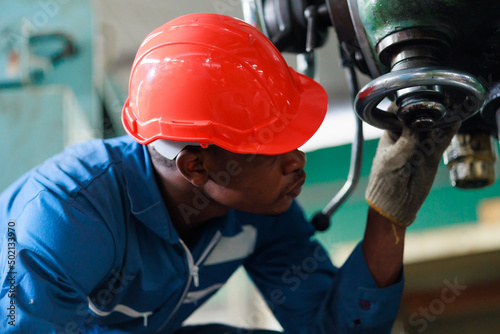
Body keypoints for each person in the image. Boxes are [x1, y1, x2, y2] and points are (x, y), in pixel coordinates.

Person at [0, 13, 457, 334]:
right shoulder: (61, 218)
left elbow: (334, 329)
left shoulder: (263, 211)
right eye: (271, 145)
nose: (297, 160)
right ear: (196, 166)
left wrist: (389, 213)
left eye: (292, 137)